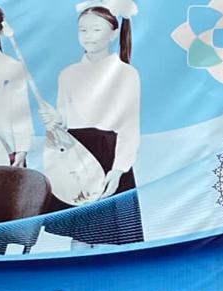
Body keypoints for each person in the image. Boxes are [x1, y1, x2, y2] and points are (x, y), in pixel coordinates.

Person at [43, 1, 142, 247]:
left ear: (113, 33)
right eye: (83, 30)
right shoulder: (67, 74)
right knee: (79, 240)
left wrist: (118, 171)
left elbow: (129, 127)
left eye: (96, 29)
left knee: (110, 242)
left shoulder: (126, 74)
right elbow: (63, 126)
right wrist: (54, 122)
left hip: (108, 158)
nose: (88, 36)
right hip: (77, 159)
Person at [0, 4, 33, 168]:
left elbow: (20, 112)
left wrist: (21, 150)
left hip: (4, 149)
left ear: (1, 30)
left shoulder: (11, 67)